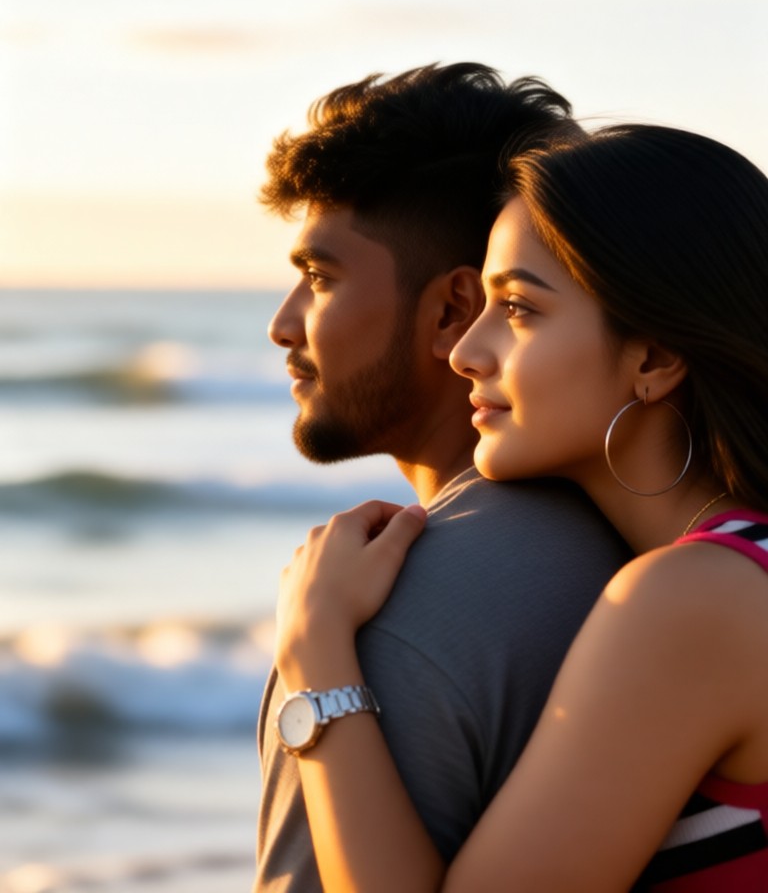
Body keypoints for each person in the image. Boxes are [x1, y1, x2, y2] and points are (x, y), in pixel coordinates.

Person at [273, 123, 768, 891]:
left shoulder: (693, 600)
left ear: (654, 358)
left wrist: (316, 652)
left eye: (520, 310)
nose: (465, 350)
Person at [255, 64, 631, 891]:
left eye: (319, 279)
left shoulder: (381, 617)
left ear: (455, 311)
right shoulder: (635, 540)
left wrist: (313, 652)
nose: (284, 324)